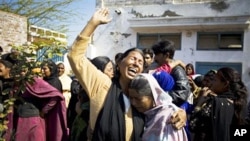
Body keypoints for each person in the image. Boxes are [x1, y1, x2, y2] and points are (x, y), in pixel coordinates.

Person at [67, 8, 186, 141]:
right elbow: (75, 56)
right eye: (133, 58)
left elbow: (163, 106)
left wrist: (180, 112)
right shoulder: (101, 85)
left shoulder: (143, 92)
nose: (136, 63)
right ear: (119, 63)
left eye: (140, 62)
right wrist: (92, 24)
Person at [189, 67, 248, 141]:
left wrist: (199, 104)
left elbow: (193, 125)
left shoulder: (215, 103)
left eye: (215, 80)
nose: (212, 83)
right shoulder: (241, 105)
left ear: (225, 84)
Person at [128, 73, 188, 141]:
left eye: (138, 99)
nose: (133, 103)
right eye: (131, 98)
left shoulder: (168, 117)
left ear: (153, 96)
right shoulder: (145, 113)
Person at [15, 72, 68, 141]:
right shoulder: (14, 84)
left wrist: (44, 110)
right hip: (20, 121)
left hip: (34, 121)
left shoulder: (35, 81)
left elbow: (56, 95)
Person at [151, 40, 191, 107]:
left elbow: (182, 94)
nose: (155, 58)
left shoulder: (177, 70)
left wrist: (160, 96)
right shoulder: (157, 67)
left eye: (157, 54)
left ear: (166, 55)